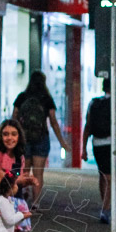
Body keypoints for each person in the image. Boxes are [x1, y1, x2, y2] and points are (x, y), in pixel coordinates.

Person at [12, 72, 70, 206]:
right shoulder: (46, 99)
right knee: (38, 173)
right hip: (41, 137)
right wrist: (62, 141)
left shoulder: (22, 97)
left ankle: (23, 197)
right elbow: (54, 121)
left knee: (24, 170)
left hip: (23, 138)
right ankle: (36, 202)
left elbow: (14, 115)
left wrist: (14, 135)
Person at [82, 79, 116, 223]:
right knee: (110, 177)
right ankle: (105, 209)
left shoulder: (93, 103)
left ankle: (105, 204)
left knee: (102, 175)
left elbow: (88, 126)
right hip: (112, 144)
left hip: (97, 143)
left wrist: (84, 148)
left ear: (103, 87)